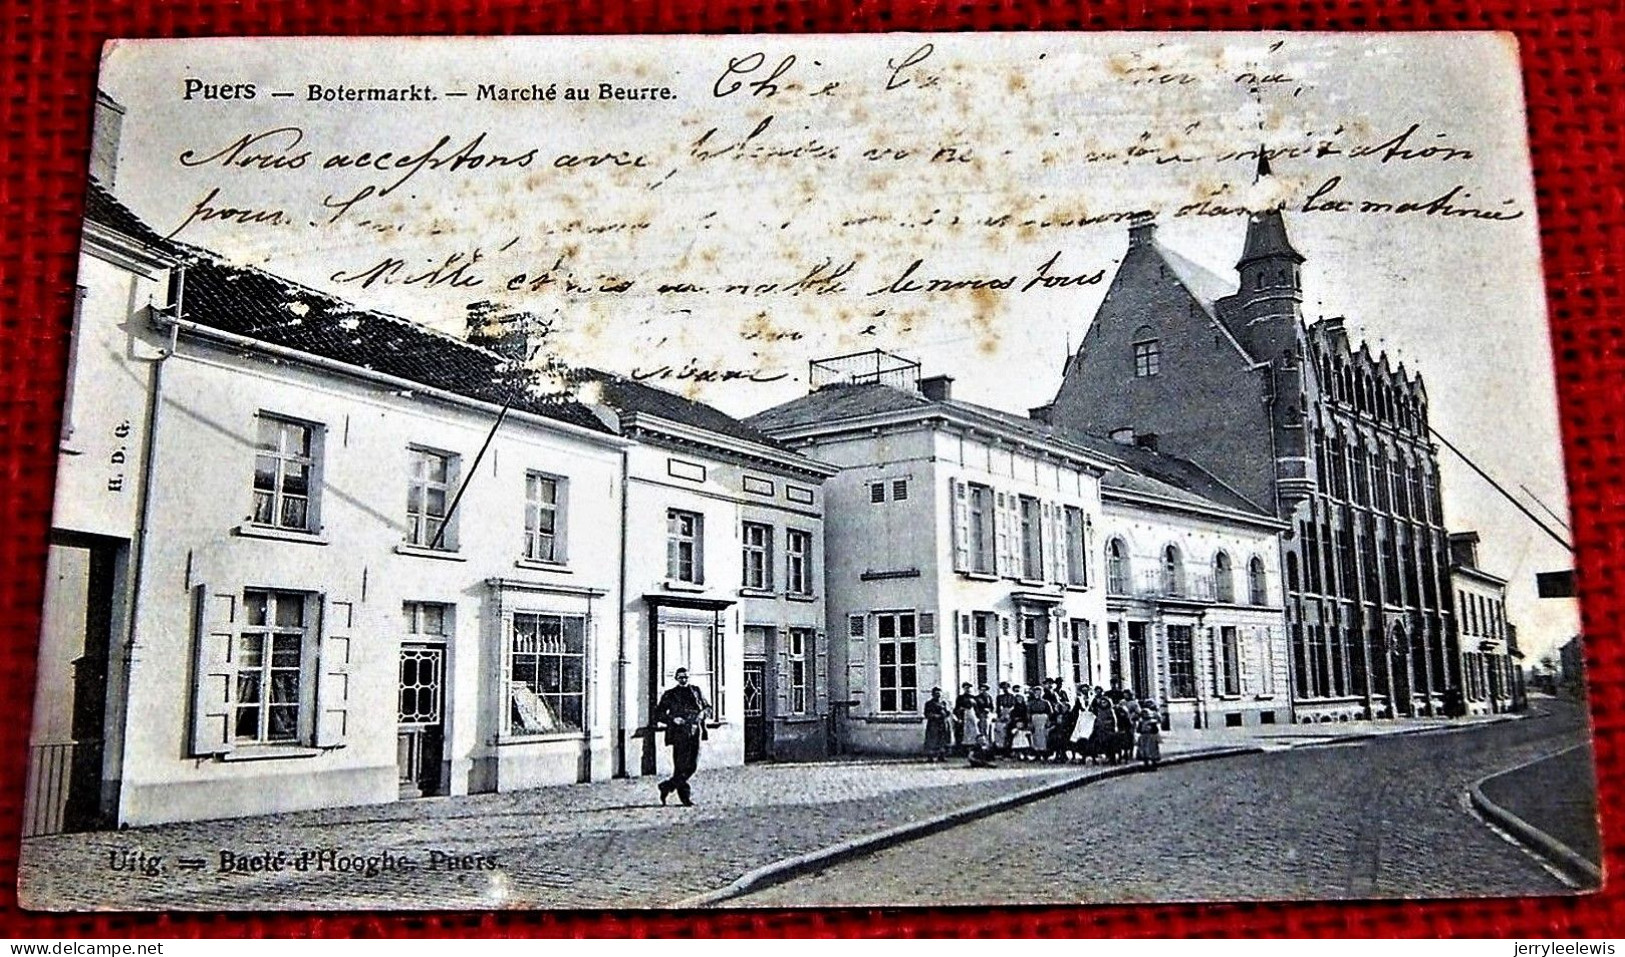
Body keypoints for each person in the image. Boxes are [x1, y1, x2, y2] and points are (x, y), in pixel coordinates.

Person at [652, 667, 712, 806]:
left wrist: (703, 713)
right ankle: (685, 798)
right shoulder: (670, 694)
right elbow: (658, 714)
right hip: (679, 734)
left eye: (685, 677)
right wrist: (673, 719)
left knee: (692, 766)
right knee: (680, 766)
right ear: (676, 679)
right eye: (681, 677)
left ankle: (667, 786)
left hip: (695, 731)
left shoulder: (696, 691)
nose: (684, 680)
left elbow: (708, 707)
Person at [923, 687, 953, 761]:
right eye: (936, 693)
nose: (938, 695)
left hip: (943, 723)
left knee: (943, 740)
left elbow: (948, 712)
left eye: (939, 693)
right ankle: (930, 757)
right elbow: (927, 714)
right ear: (933, 694)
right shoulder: (929, 703)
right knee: (932, 740)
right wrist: (935, 716)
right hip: (934, 724)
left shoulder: (943, 703)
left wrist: (946, 713)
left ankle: (942, 755)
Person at [1135, 700, 1162, 768]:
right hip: (1144, 737)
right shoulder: (1141, 721)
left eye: (1146, 714)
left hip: (1151, 737)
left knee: (1152, 750)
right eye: (1143, 714)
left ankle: (1153, 763)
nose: (1145, 715)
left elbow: (1155, 730)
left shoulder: (1152, 722)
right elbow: (1138, 729)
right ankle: (1146, 763)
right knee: (1144, 751)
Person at [953, 683, 977, 752]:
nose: (968, 689)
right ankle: (963, 749)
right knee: (964, 732)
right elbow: (957, 708)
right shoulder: (960, 698)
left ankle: (972, 747)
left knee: (973, 731)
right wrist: (959, 717)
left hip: (972, 716)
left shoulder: (973, 698)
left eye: (969, 688)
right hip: (964, 716)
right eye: (966, 688)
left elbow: (977, 708)